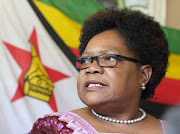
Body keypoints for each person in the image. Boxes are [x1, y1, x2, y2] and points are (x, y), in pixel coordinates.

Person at [29, 8, 169, 134]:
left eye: (108, 58)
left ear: (143, 75)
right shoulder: (53, 128)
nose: (91, 68)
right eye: (85, 60)